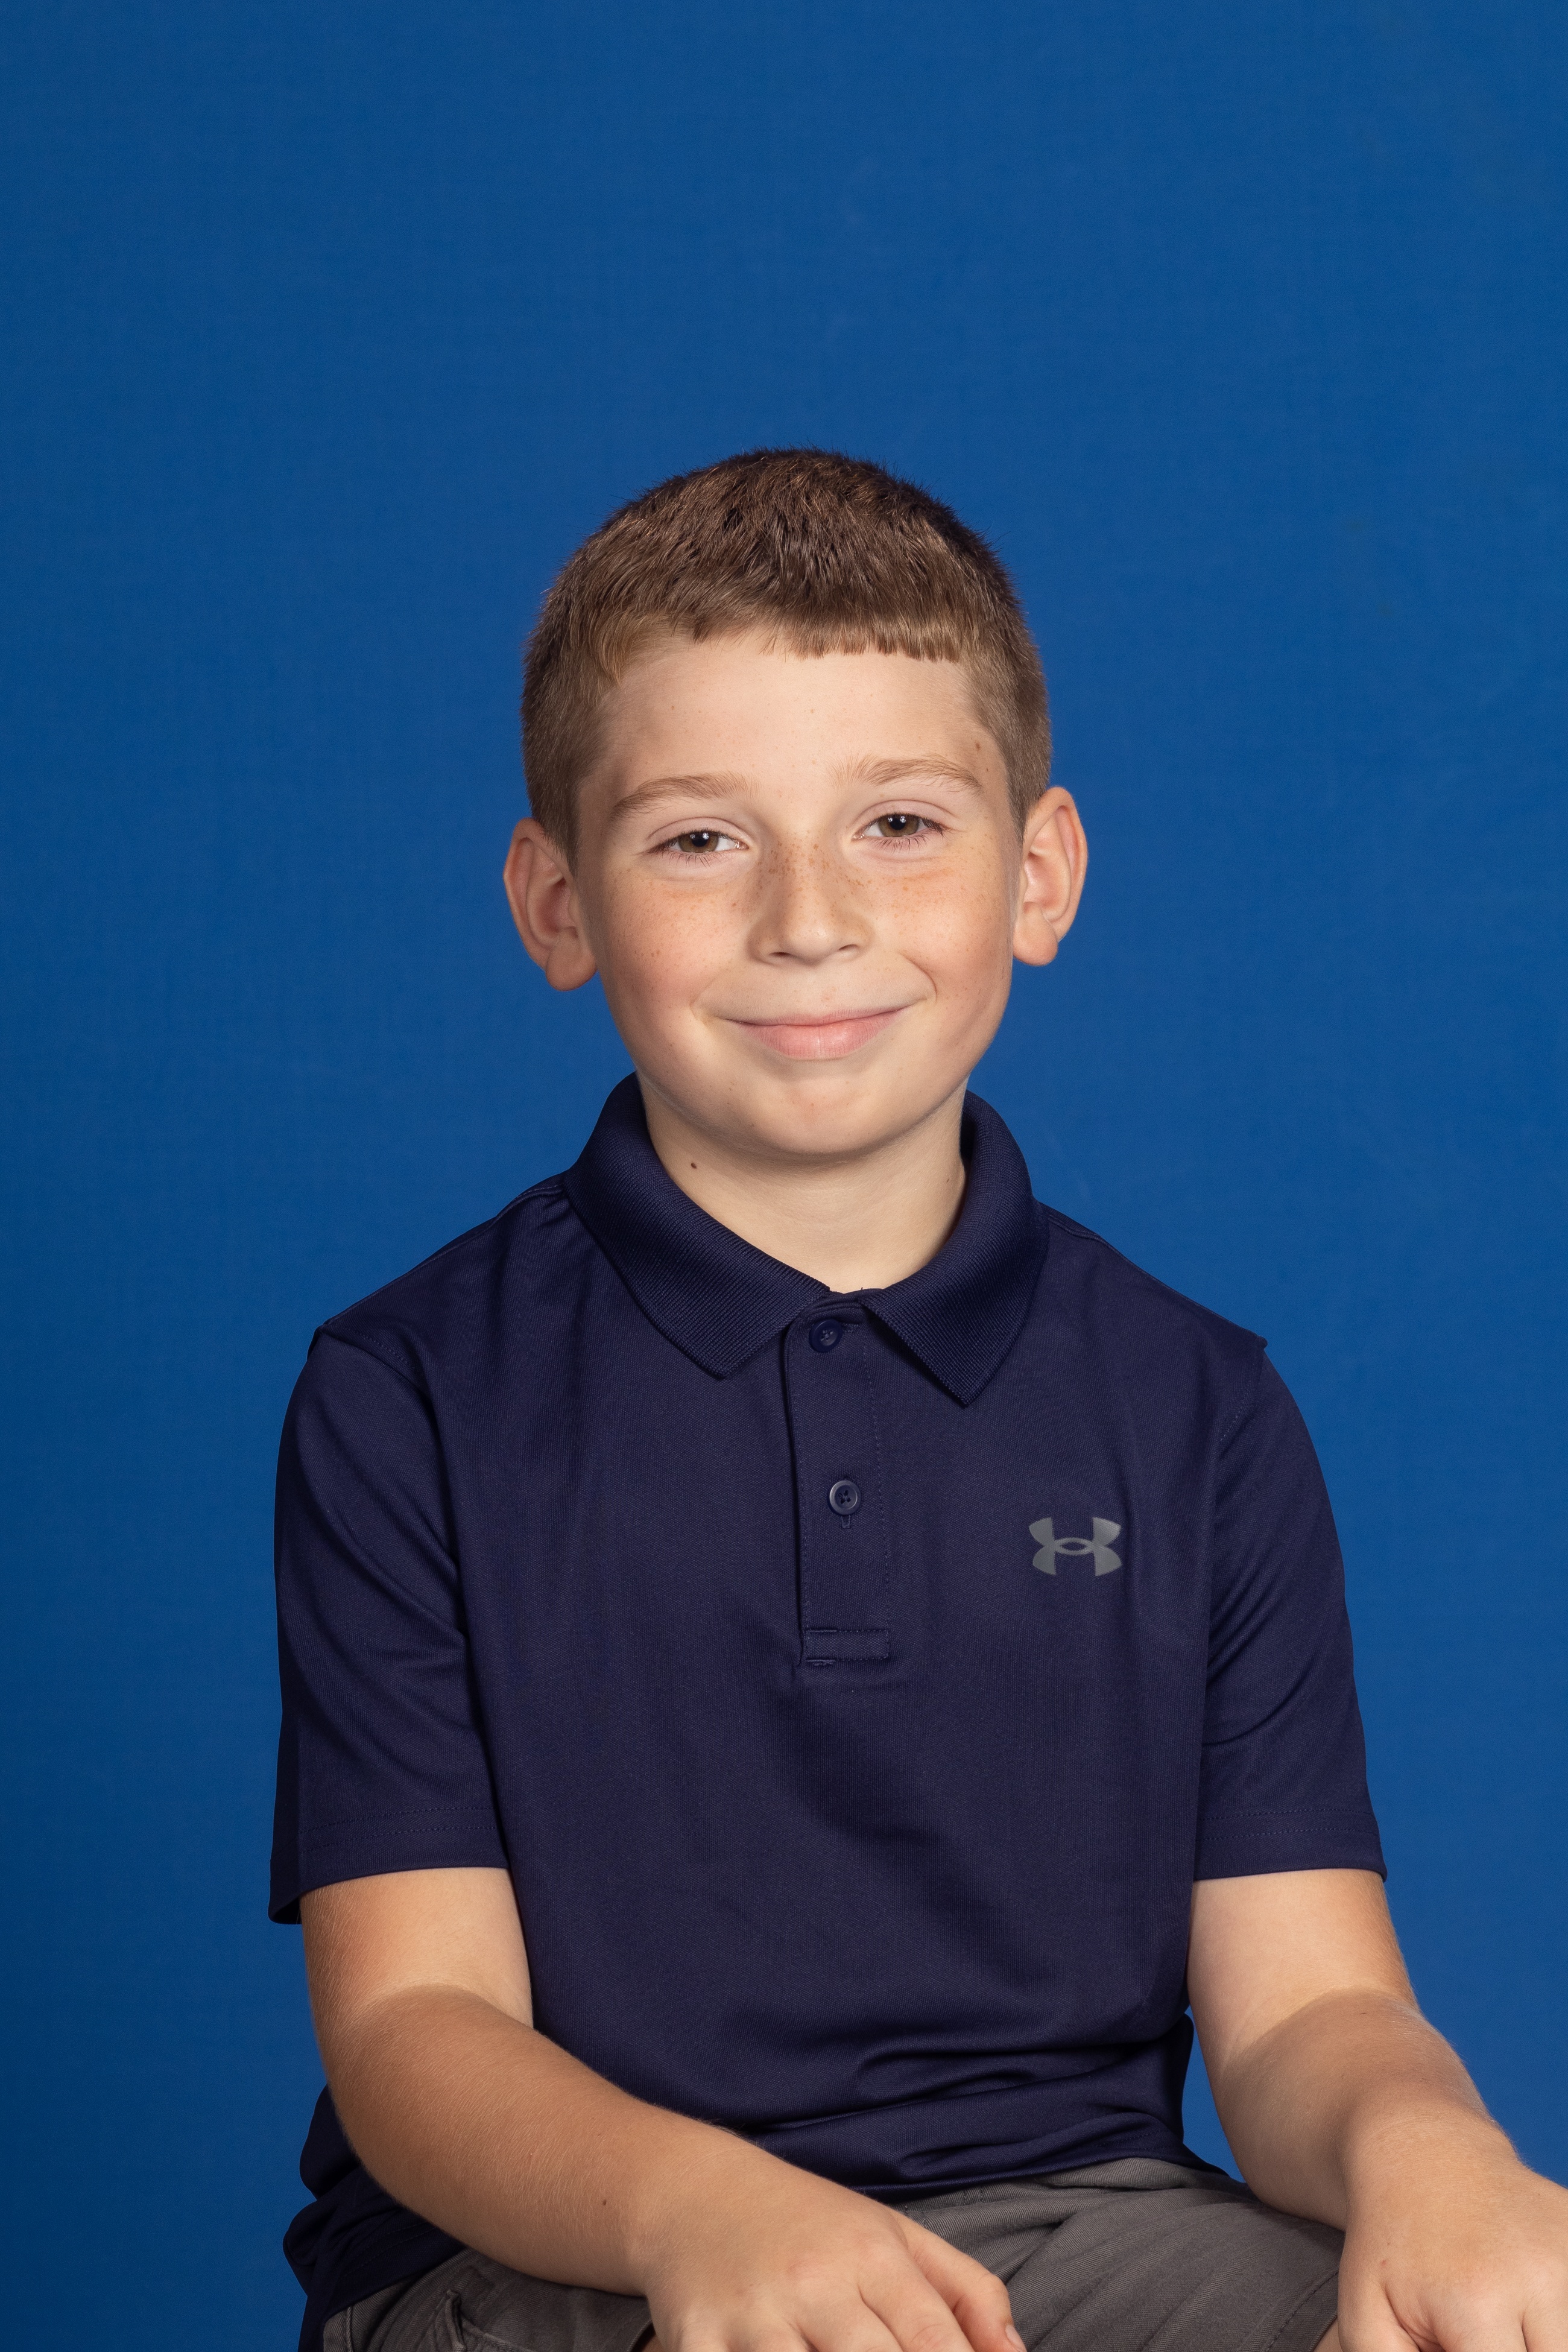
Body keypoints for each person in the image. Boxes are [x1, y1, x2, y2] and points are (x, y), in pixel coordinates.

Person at [270, 450, 1567, 2352]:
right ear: (558, 902)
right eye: (700, 840)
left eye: (895, 823)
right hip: (568, 2253)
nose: (809, 917)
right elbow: (413, 2023)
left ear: (1037, 875)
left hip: (1081, 2227)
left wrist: (1429, 2145)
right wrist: (703, 2211)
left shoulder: (1200, 1407)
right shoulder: (410, 1392)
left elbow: (1306, 2008)